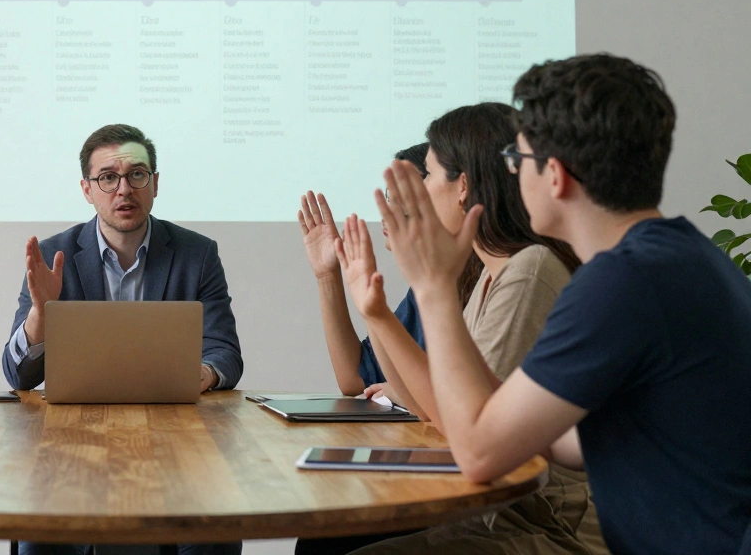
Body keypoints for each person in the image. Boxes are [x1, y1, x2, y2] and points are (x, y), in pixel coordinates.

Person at [377, 54, 751, 555]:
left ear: (555, 175)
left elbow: (479, 455)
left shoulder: (623, 282)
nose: (511, 175)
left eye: (518, 161)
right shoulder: (676, 258)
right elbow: (559, 442)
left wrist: (434, 287)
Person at [331, 103, 605, 554]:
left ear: (463, 187)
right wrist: (374, 310)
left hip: (550, 527)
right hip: (504, 515)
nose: (418, 191)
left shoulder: (528, 271)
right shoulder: (489, 278)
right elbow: (427, 407)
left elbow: (468, 429)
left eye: (429, 175)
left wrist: (419, 289)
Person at [1, 123, 243, 555]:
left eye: (137, 174)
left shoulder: (197, 253)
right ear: (87, 189)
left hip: (177, 439)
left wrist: (203, 373)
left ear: (155, 184)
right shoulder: (54, 256)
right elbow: (18, 374)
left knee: (214, 532)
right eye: (107, 177)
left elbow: (224, 350)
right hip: (75, 442)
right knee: (42, 539)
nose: (123, 189)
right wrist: (42, 313)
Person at [298, 143, 482, 398]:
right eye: (389, 194)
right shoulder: (426, 287)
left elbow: (460, 398)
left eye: (404, 193)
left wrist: (402, 393)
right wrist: (327, 276)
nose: (387, 209)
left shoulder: (489, 280)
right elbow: (358, 379)